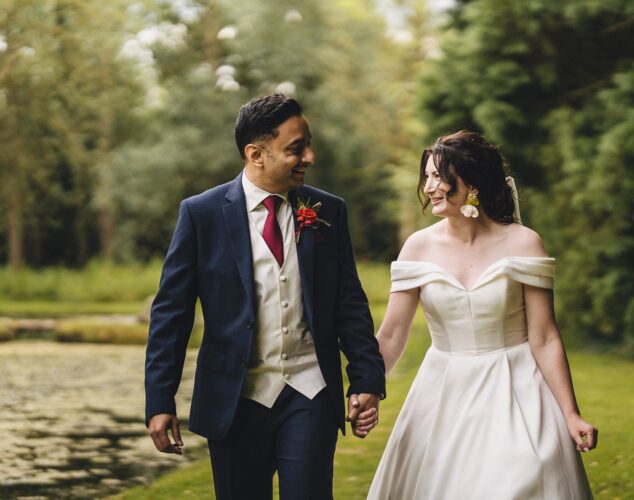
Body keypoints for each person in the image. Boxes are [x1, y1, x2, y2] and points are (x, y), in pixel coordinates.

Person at [144, 93, 385, 500]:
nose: (309, 156)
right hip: (235, 400)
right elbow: (172, 315)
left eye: (308, 143)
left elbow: (349, 303)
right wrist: (159, 399)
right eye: (296, 148)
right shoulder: (200, 214)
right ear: (256, 153)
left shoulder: (328, 210)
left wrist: (366, 379)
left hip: (310, 392)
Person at [362, 131, 597, 499]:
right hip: (442, 392)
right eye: (427, 177)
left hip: (516, 387)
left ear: (472, 184)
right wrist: (368, 386)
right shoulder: (418, 247)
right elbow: (392, 334)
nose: (430, 187)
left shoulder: (523, 242)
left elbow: (545, 335)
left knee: (522, 480)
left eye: (439, 177)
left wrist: (570, 413)